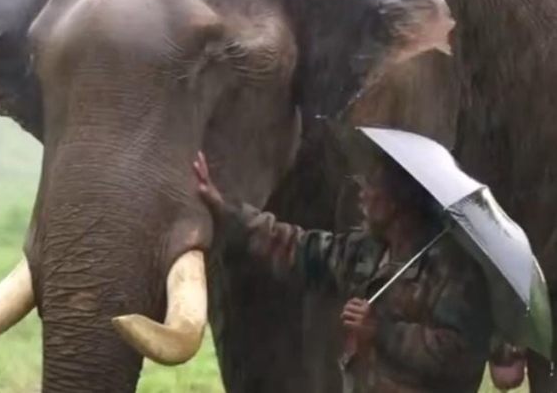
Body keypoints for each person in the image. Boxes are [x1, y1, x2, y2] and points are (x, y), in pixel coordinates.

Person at [192, 151, 492, 393]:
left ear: (400, 199)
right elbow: (296, 247)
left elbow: (460, 356)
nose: (361, 193)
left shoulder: (454, 271)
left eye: (372, 184)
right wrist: (225, 211)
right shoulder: (365, 252)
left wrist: (382, 330)